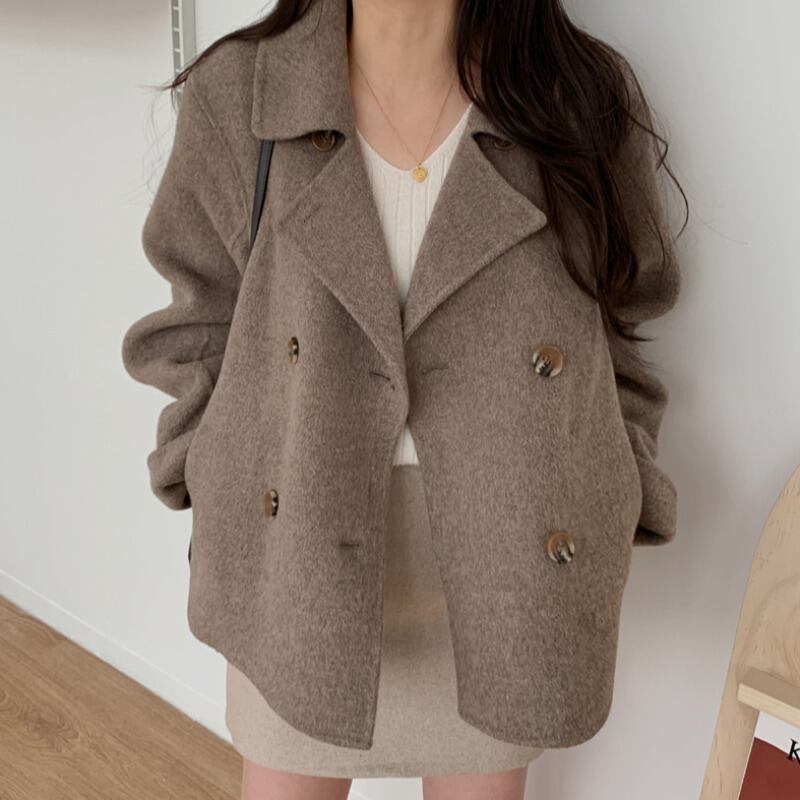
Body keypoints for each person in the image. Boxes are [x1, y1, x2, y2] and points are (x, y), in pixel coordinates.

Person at [121, 0, 687, 797]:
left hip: (512, 577)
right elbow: (196, 320)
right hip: (293, 565)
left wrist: (615, 485)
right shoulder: (245, 94)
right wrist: (211, 472)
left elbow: (624, 322)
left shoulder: (576, 99)